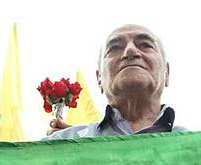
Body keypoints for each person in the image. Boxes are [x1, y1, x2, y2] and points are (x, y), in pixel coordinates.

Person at [46, 24, 187, 139]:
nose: (130, 51)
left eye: (145, 45)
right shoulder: (61, 145)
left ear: (167, 72)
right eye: (114, 48)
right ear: (99, 77)